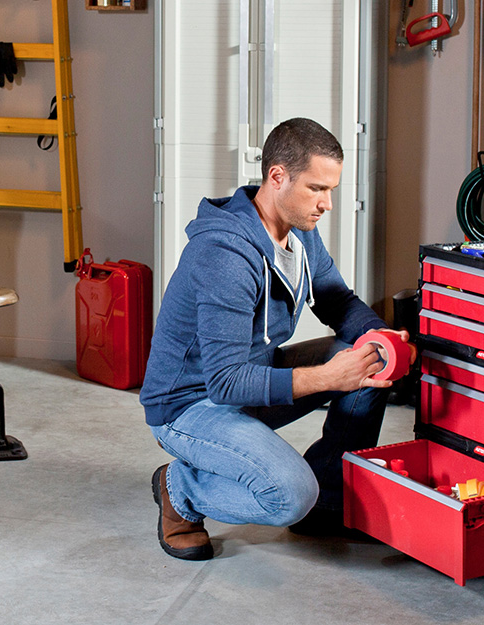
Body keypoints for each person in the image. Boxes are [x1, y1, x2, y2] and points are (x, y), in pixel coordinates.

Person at [140, 117, 412, 561]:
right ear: (277, 176)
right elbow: (224, 383)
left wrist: (379, 337)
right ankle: (179, 491)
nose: (326, 204)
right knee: (289, 494)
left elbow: (335, 299)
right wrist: (326, 377)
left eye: (331, 191)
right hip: (189, 405)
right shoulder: (225, 254)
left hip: (251, 378)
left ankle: (326, 504)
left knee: (362, 360)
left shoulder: (300, 231)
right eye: (316, 189)